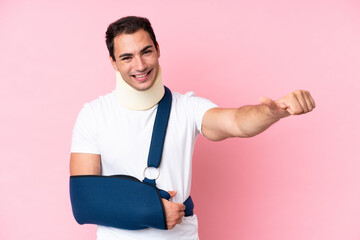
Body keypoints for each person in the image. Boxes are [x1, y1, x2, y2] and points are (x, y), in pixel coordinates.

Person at [70, 16, 315, 240]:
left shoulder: (187, 107)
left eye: (146, 52)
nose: (140, 65)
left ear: (158, 50)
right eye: (127, 57)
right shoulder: (94, 114)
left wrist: (272, 112)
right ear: (113, 62)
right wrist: (150, 212)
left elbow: (236, 122)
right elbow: (85, 201)